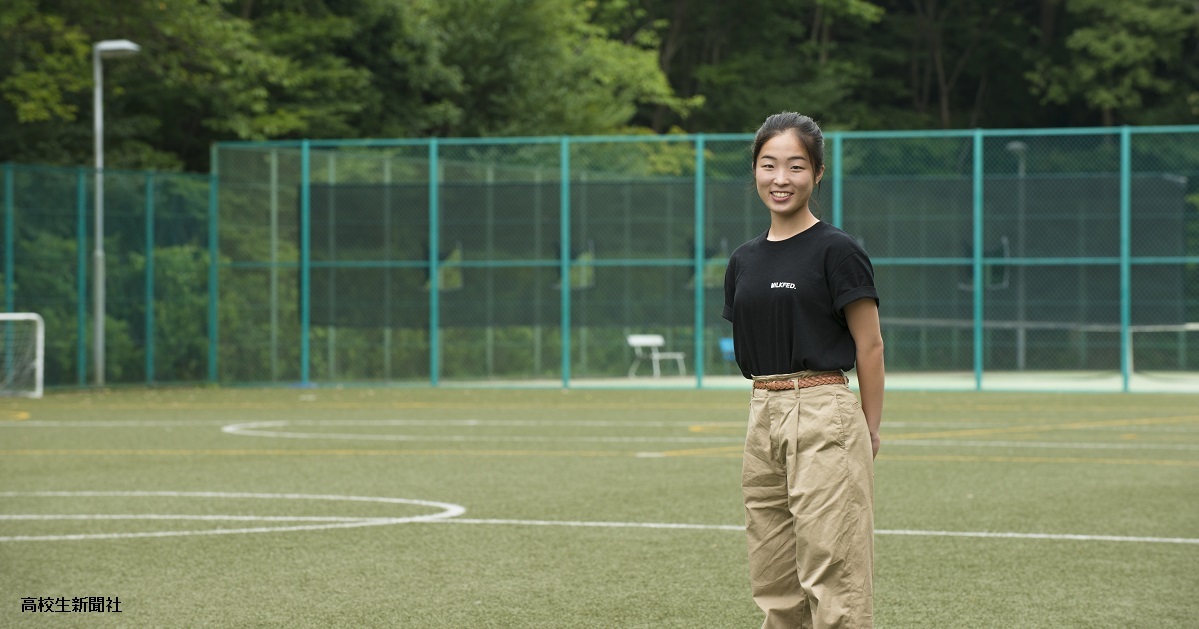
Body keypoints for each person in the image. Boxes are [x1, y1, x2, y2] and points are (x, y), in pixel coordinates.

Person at [722, 112, 884, 629]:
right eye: (768, 165)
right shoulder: (743, 260)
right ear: (755, 172)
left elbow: (870, 343)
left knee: (833, 571)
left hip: (823, 408)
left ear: (816, 174)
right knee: (773, 577)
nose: (780, 179)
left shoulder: (838, 251)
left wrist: (869, 424)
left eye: (795, 166)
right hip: (762, 411)